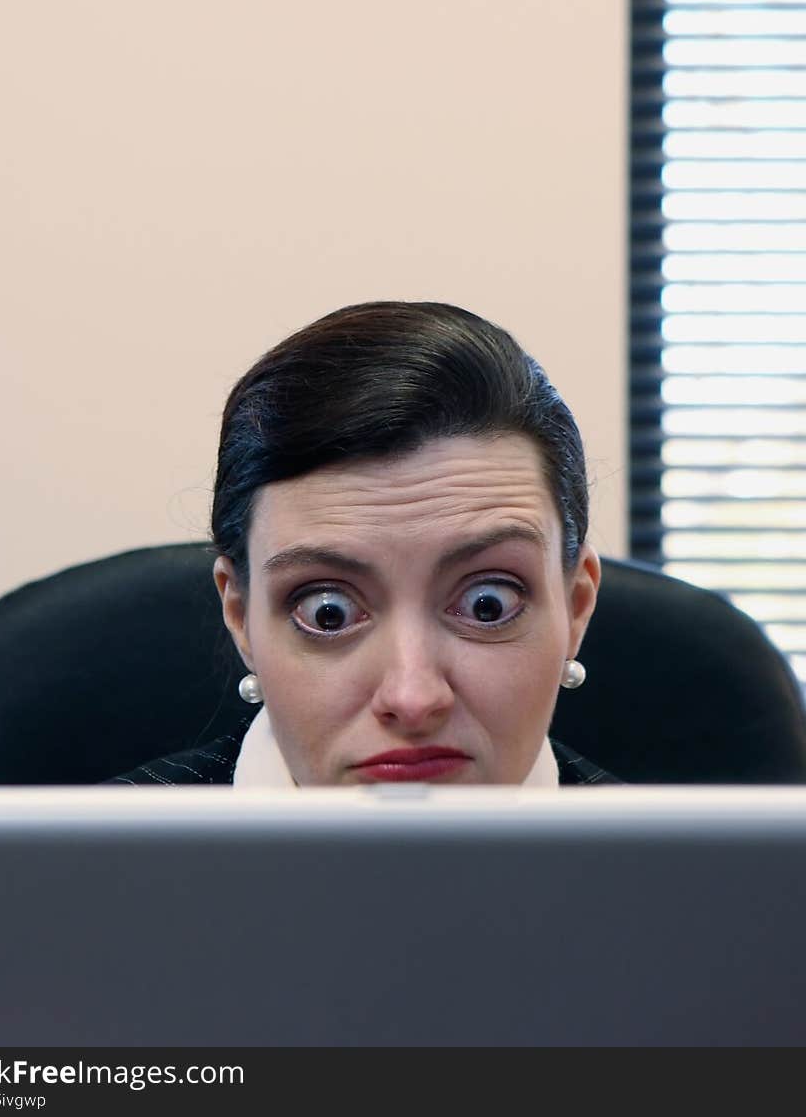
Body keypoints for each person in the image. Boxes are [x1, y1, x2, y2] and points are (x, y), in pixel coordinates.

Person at [114, 300, 617, 787]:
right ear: (241, 616)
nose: (413, 698)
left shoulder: (684, 873)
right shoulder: (76, 869)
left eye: (488, 605)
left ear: (576, 607)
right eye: (327, 612)